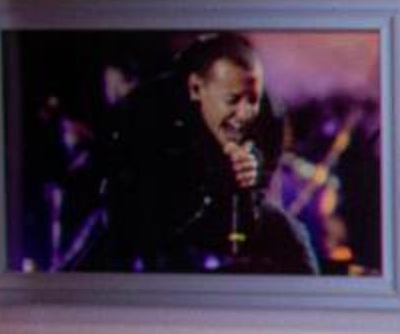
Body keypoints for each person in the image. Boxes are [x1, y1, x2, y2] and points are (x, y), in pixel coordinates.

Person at [84, 35, 319, 275]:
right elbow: (138, 204)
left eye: (252, 100)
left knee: (288, 232)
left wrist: (251, 172)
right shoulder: (148, 112)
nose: (245, 114)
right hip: (151, 212)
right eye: (232, 100)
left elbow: (254, 202)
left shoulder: (269, 117)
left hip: (217, 212)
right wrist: (214, 177)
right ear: (196, 88)